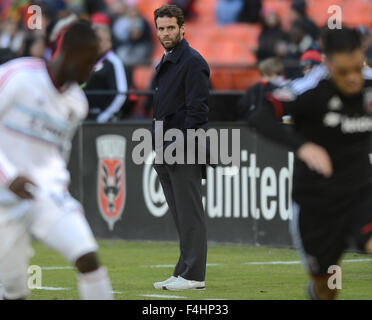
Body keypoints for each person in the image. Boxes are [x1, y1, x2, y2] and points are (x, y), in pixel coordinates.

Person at [248, 27, 372, 300]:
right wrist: (303, 146)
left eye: (356, 68)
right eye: (342, 72)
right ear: (327, 63)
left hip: (361, 194)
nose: (352, 78)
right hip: (317, 204)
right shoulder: (308, 90)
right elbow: (260, 116)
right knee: (327, 289)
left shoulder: (369, 85)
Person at [0, 20, 113, 300]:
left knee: (87, 257)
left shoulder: (78, 103)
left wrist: (62, 192)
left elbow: (57, 157)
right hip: (3, 199)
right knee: (14, 292)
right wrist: (8, 177)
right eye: (90, 62)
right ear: (70, 54)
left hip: (44, 194)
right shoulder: (17, 75)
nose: (92, 70)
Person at [151, 4, 210, 291]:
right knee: (179, 213)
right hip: (164, 144)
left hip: (183, 146)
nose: (166, 33)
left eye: (171, 27)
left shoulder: (193, 61)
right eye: (161, 28)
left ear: (183, 28)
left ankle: (194, 275)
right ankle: (183, 270)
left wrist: (178, 144)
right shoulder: (167, 59)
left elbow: (198, 111)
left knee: (190, 213)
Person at [84, 23, 128, 122]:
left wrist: (103, 117)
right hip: (85, 117)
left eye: (99, 40)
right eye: (93, 39)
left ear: (109, 41)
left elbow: (121, 93)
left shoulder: (114, 61)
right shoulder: (87, 60)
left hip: (104, 121)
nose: (96, 43)